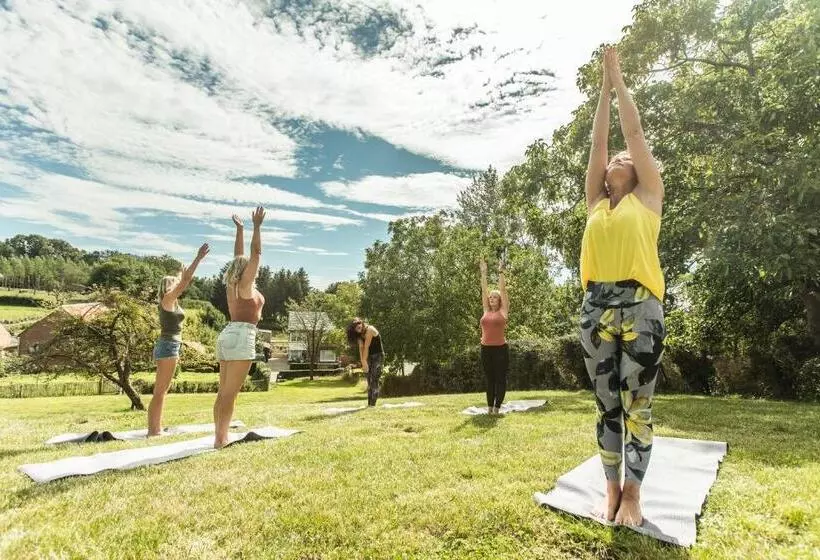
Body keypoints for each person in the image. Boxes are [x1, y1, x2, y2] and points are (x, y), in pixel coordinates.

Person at [579, 47, 666, 526]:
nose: (616, 155)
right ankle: (611, 490)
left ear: (638, 172)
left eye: (624, 157)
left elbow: (632, 132)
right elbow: (597, 144)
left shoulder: (648, 198)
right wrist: (602, 92)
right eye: (613, 158)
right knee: (607, 404)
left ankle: (633, 494)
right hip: (594, 306)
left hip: (639, 306)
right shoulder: (596, 202)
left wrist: (618, 78)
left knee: (637, 405)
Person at [213, 207, 266, 449]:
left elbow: (240, 255)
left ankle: (219, 437)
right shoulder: (245, 285)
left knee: (223, 392)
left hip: (227, 334)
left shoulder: (232, 284)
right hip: (242, 335)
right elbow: (255, 253)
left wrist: (240, 230)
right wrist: (256, 227)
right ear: (246, 270)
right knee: (229, 393)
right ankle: (221, 440)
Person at [147, 243, 210, 436]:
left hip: (170, 345)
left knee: (162, 390)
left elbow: (182, 281)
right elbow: (184, 282)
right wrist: (198, 258)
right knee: (160, 391)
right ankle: (154, 430)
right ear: (167, 287)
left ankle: (155, 428)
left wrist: (181, 273)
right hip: (168, 346)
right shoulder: (167, 299)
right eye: (173, 283)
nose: (177, 285)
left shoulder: (170, 301)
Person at [479, 258, 509, 415]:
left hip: (500, 350)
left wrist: (501, 272)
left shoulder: (503, 311)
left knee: (499, 379)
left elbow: (503, 290)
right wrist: (483, 272)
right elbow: (484, 290)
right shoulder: (486, 311)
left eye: (494, 297)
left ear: (499, 300)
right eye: (490, 297)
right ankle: (489, 407)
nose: (491, 298)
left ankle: (497, 408)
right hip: (485, 349)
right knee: (489, 379)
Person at [346, 318, 384, 406]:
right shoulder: (359, 335)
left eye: (358, 324)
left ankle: (372, 405)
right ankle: (369, 404)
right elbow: (361, 348)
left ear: (362, 323)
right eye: (355, 326)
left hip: (378, 356)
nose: (357, 326)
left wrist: (364, 361)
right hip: (368, 357)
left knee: (374, 379)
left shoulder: (370, 329)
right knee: (369, 381)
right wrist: (363, 362)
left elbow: (366, 347)